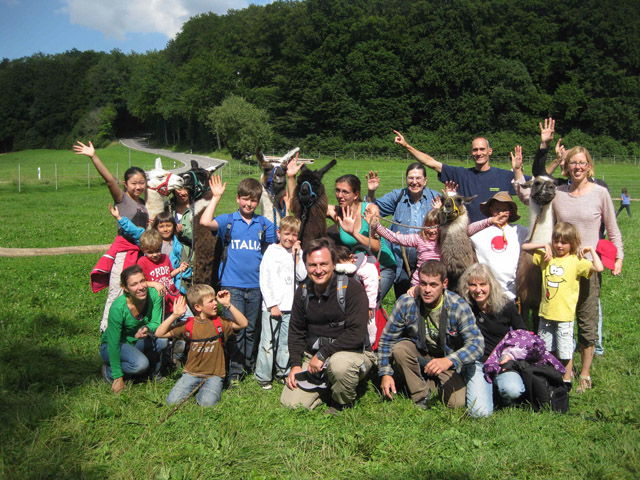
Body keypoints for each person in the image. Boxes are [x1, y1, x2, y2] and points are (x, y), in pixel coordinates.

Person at [281, 238, 376, 413]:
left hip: (351, 353)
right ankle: (329, 388)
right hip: (315, 356)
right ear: (306, 266)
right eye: (312, 265)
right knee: (290, 403)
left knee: (340, 366)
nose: (318, 270)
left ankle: (341, 402)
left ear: (333, 264)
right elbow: (296, 331)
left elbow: (356, 333)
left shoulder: (352, 289)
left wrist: (324, 354)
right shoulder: (302, 291)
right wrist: (295, 364)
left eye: (324, 264)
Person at [199, 175, 277, 382]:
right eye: (245, 198)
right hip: (231, 286)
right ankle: (234, 370)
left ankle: (248, 365)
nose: (249, 203)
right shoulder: (228, 220)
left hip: (256, 286)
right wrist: (215, 197)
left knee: (251, 329)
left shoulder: (264, 224)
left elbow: (275, 246)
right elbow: (205, 221)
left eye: (253, 200)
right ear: (237, 199)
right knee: (234, 329)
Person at [377, 260, 484, 409]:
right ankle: (420, 395)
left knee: (457, 403)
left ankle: (427, 382)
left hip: (446, 358)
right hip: (419, 352)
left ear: (444, 283)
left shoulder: (457, 305)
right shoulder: (406, 303)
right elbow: (387, 339)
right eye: (423, 284)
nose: (427, 290)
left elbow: (477, 344)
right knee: (399, 349)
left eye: (433, 285)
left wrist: (448, 361)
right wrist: (385, 373)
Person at [76, 140, 149, 332]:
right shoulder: (122, 199)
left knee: (137, 291)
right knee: (117, 290)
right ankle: (106, 330)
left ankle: (130, 326)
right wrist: (94, 156)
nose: (138, 186)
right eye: (134, 183)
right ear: (126, 184)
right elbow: (109, 180)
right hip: (125, 252)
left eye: (142, 182)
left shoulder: (143, 202)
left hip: (141, 252)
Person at [522, 222, 604, 383]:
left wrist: (591, 251)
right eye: (556, 241)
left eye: (564, 242)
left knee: (565, 350)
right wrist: (544, 246)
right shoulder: (547, 258)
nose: (559, 246)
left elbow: (599, 267)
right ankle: (552, 375)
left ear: (573, 243)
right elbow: (525, 247)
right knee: (547, 348)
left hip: (564, 316)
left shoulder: (576, 262)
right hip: (545, 314)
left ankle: (566, 380)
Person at [392, 131, 527, 222]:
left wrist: (518, 169)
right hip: (468, 238)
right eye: (475, 150)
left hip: (495, 237)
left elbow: (534, 186)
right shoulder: (461, 174)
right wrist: (406, 145)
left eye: (482, 149)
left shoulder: (504, 176)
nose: (478, 153)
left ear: (489, 151)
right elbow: (430, 163)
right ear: (471, 152)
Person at [154, 284, 248, 407]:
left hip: (214, 375)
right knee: (172, 401)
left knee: (206, 403)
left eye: (215, 299)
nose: (215, 303)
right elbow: (159, 333)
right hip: (191, 373)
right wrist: (175, 315)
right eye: (211, 301)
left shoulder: (220, 322)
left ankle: (204, 391)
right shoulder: (188, 325)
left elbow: (243, 323)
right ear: (198, 307)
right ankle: (198, 388)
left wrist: (228, 305)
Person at [458, 263, 527, 417]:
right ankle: (484, 389)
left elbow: (523, 335)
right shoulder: (464, 306)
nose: (478, 289)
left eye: (483, 284)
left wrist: (510, 356)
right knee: (479, 413)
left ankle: (502, 395)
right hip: (477, 362)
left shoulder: (506, 305)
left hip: (501, 360)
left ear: (491, 284)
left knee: (513, 390)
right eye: (473, 285)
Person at [99, 265, 181, 394]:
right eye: (134, 284)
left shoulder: (154, 295)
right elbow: (113, 343)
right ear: (125, 288)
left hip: (137, 342)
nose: (141, 287)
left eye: (143, 281)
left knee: (162, 340)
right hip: (114, 346)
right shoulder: (118, 308)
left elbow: (155, 322)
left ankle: (153, 374)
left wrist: (146, 328)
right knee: (140, 364)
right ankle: (109, 371)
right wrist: (117, 377)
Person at [365, 163, 441, 297]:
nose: (414, 182)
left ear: (425, 180)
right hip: (402, 262)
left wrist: (442, 209)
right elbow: (372, 210)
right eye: (411, 178)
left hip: (428, 262)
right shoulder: (398, 196)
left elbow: (452, 222)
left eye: (418, 178)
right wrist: (371, 191)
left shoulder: (436, 199)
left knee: (428, 300)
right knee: (404, 299)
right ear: (406, 179)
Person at [255, 216, 307, 389]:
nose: (290, 238)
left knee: (285, 343)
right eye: (286, 234)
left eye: (294, 235)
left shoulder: (297, 252)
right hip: (273, 307)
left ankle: (282, 372)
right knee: (268, 343)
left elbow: (302, 276)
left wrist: (297, 256)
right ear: (279, 233)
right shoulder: (271, 251)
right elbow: (265, 278)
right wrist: (272, 304)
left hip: (290, 306)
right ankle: (263, 376)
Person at [327, 174, 396, 302]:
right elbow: (306, 205)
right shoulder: (337, 212)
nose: (339, 196)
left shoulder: (370, 210)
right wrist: (292, 178)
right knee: (355, 305)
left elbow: (376, 246)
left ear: (356, 194)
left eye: (345, 192)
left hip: (381, 265)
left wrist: (354, 233)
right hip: (359, 266)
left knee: (370, 305)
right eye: (337, 190)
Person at [109, 207, 192, 295]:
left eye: (168, 226)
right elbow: (134, 231)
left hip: (171, 287)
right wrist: (119, 218)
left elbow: (185, 268)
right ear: (156, 227)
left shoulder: (178, 246)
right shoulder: (149, 239)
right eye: (161, 226)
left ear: (174, 226)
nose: (165, 229)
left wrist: (181, 289)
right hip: (151, 286)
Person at [470, 191, 529, 301]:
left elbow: (536, 236)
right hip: (487, 292)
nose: (501, 213)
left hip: (511, 291)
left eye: (505, 210)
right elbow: (464, 232)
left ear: (510, 212)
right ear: (491, 210)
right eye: (497, 209)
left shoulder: (519, 231)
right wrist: (489, 221)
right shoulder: (480, 233)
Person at [334, 245, 379, 346]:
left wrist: (370, 306)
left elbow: (371, 288)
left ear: (351, 258)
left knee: (369, 324)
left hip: (366, 303)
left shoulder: (367, 269)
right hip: (350, 304)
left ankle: (370, 344)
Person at [136, 229, 189, 315]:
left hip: (174, 296)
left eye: (157, 250)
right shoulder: (142, 262)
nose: (155, 254)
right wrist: (154, 284)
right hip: (160, 302)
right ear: (143, 250)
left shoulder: (165, 258)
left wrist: (179, 269)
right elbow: (141, 282)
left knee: (189, 318)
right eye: (150, 252)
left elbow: (169, 275)